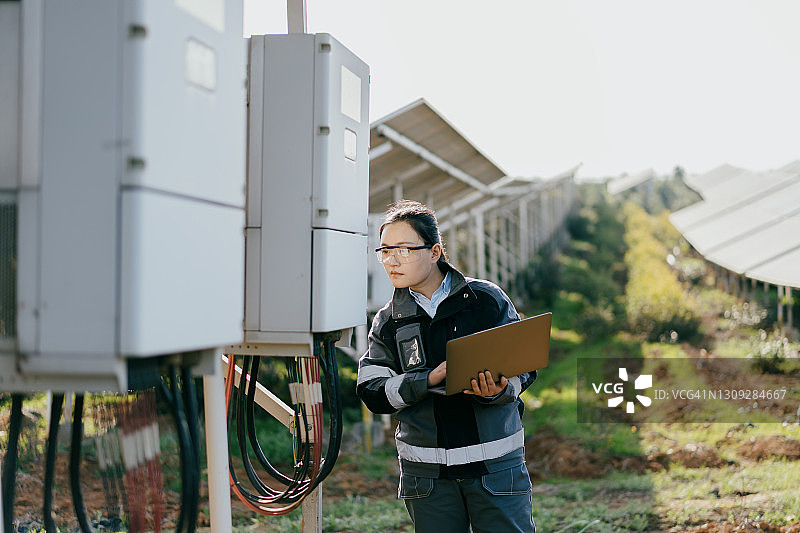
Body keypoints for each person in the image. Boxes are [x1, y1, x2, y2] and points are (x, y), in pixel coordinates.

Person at [357, 200, 537, 533]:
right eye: (385, 251)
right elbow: (372, 390)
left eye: (403, 250)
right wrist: (426, 379)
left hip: (495, 469)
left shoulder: (485, 300)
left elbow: (524, 366)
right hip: (428, 479)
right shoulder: (387, 322)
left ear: (435, 252)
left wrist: (498, 390)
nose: (392, 261)